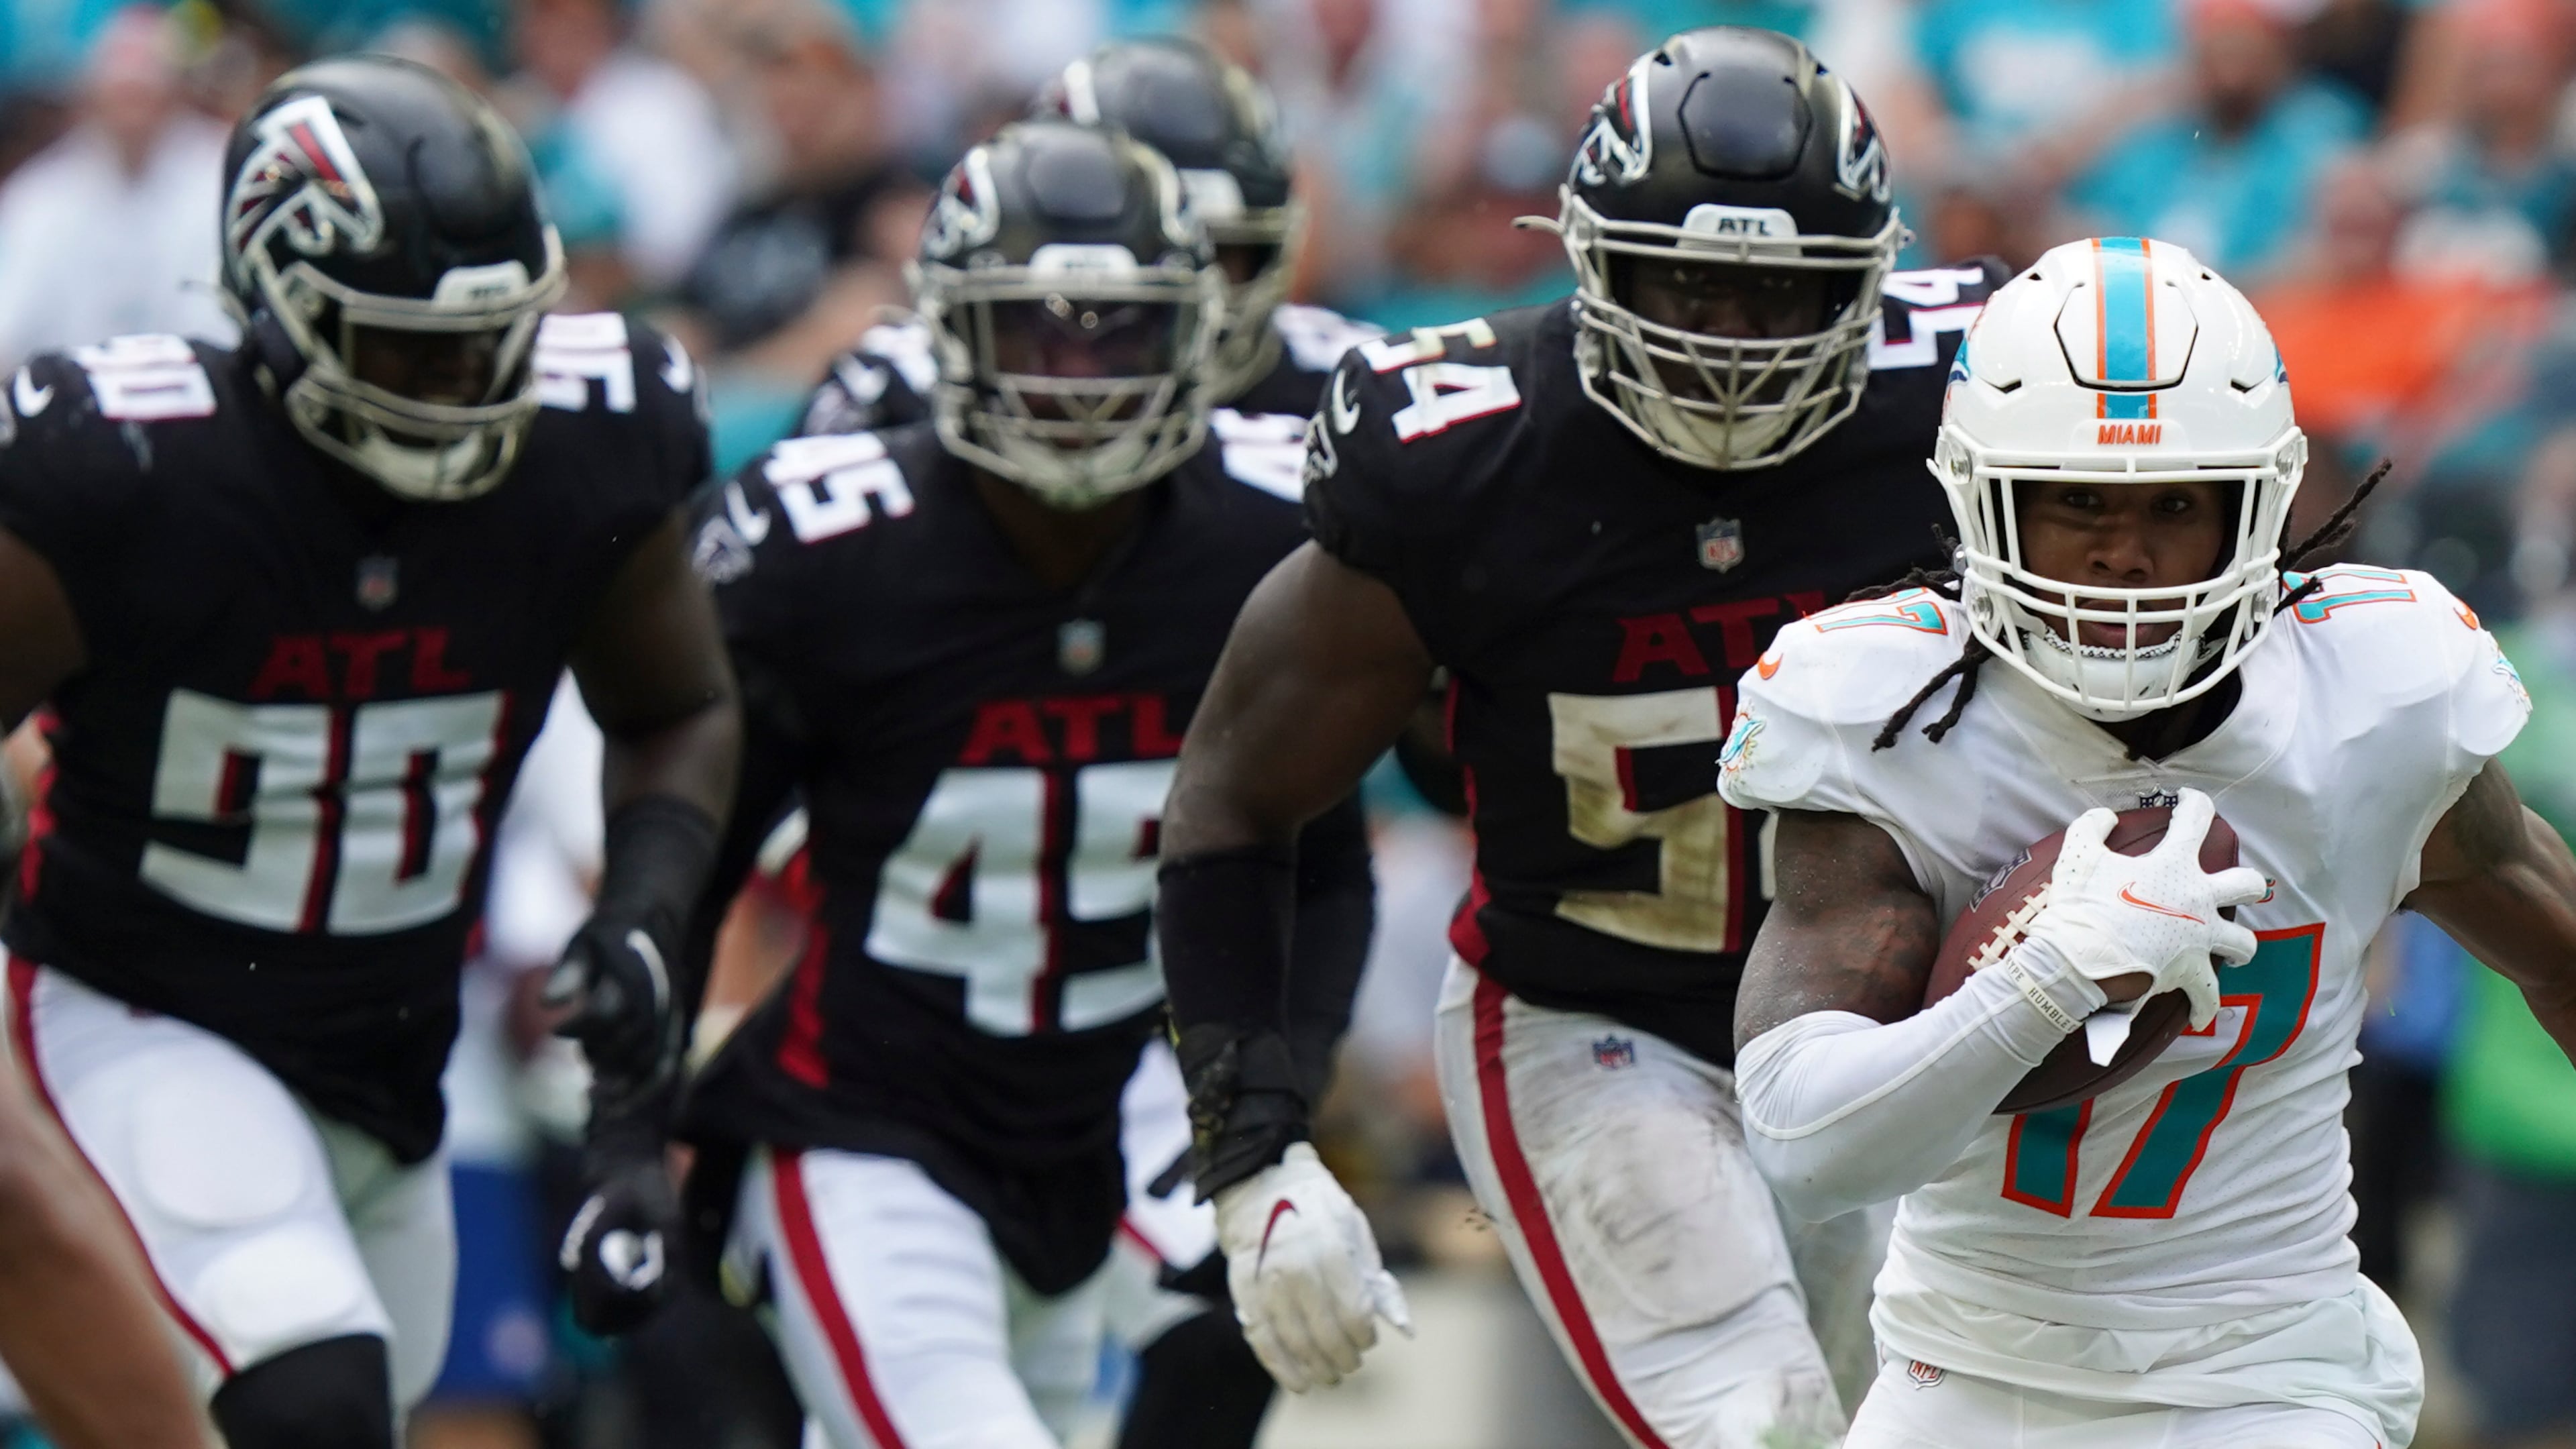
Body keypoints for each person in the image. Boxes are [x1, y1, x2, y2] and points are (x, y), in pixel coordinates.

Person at [1156, 25, 2000, 1449]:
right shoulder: (1462, 454)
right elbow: (1233, 800)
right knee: (1763, 1420)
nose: (1726, 341)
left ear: (1869, 287)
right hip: (1600, 1019)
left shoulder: (1972, 397)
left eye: (1776, 295)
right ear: (1592, 258)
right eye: (1688, 283)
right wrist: (1252, 1154)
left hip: (1891, 1030)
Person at [1718, 235, 2576, 1448]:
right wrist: (2050, 979)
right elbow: (1806, 1145)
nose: (2125, 553)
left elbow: (2561, 956)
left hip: (2269, 1369)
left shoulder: (2376, 695)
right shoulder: (1888, 713)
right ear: (1984, 499)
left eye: (2177, 503)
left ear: (2262, 507)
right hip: (1966, 1364)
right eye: (2079, 500)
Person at [0, 56, 739, 1448]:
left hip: (398, 1042)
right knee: (312, 1396)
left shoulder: (592, 434)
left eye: (496, 339)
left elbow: (676, 704)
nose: (468, 384)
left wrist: (646, 904)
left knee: (350, 1415)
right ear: (279, 309)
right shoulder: (128, 472)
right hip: (143, 1013)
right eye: (414, 347)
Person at [671, 118, 1375, 1449]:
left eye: (1120, 336)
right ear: (947, 332)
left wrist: (1277, 1118)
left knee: (1232, 1340)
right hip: (863, 1115)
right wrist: (628, 1117)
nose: (1081, 382)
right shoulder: (833, 539)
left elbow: (1322, 855)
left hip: (1115, 1087)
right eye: (1041, 336)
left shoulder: (1260, 529)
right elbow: (695, 844)